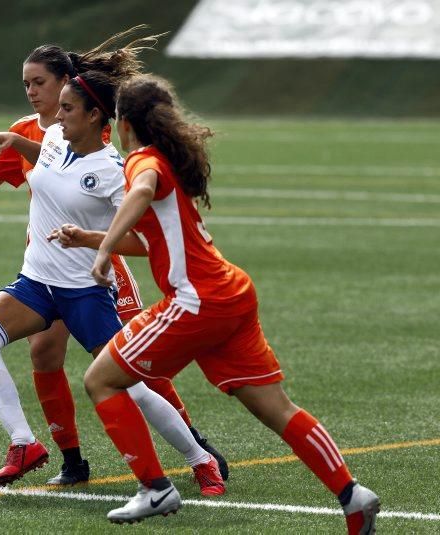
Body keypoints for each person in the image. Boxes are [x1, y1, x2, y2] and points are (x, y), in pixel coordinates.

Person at [0, 35, 225, 495]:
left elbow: (146, 241)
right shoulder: (47, 136)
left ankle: (199, 458)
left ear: (92, 116)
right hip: (36, 283)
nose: (53, 114)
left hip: (85, 291)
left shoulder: (110, 169)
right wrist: (10, 141)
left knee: (132, 386)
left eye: (65, 107)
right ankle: (25, 443)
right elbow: (39, 157)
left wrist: (91, 241)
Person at [51, 74, 380, 529]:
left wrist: (104, 249)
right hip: (230, 294)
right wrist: (94, 238)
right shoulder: (169, 159)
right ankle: (352, 493)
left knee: (101, 380)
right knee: (276, 409)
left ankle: (155, 488)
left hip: (196, 302)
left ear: (123, 124)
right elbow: (154, 244)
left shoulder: (143, 159)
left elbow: (142, 189)